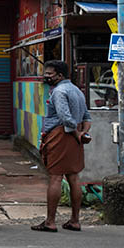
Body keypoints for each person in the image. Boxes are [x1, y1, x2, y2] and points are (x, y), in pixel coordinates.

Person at [32, 60, 91, 233]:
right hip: (74, 138)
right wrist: (83, 134)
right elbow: (87, 116)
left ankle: (50, 221)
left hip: (61, 136)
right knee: (73, 177)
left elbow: (65, 118)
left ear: (60, 75)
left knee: (56, 177)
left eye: (49, 74)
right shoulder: (77, 90)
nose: (46, 77)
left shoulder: (59, 91)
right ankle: (75, 220)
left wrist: (76, 133)